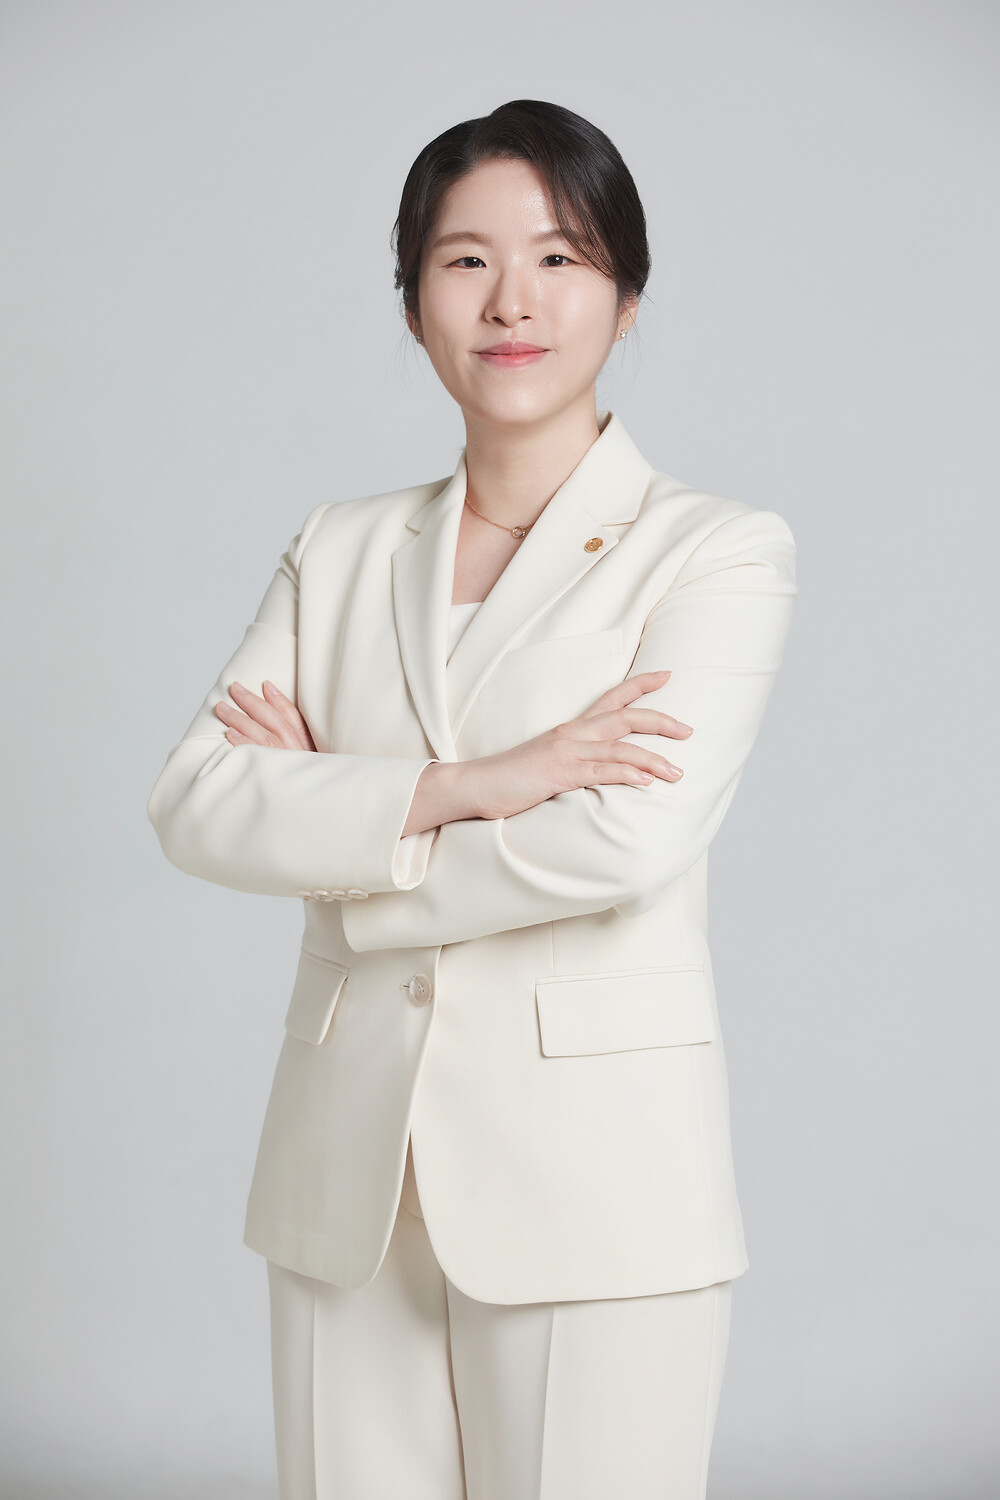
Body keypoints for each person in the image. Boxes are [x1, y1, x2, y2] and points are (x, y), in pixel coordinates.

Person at [147, 98, 798, 1500]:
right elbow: (196, 800)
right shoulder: (339, 548)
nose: (513, 302)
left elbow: (622, 839)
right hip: (346, 1185)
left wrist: (342, 832)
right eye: (465, 261)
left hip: (598, 1186)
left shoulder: (714, 552)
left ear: (626, 297)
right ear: (412, 300)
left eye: (560, 258)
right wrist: (474, 785)